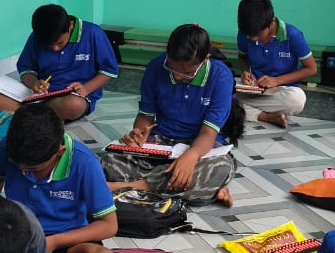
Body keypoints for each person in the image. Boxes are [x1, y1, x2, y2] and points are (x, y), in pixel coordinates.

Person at [101, 24, 245, 206]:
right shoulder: (156, 66)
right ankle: (204, 191)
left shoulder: (220, 76)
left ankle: (128, 187)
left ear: (205, 59)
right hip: (162, 142)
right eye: (172, 69)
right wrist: (139, 133)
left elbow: (208, 134)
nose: (177, 77)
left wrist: (191, 156)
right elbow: (145, 117)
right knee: (108, 162)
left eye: (187, 73)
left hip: (202, 146)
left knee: (221, 167)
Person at [0, 102, 118, 253]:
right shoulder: (9, 147)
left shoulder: (85, 163)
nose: (23, 171)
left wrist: (53, 242)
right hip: (15, 233)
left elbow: (109, 225)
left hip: (63, 240)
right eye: (17, 165)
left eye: (33, 168)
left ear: (59, 152)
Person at [0, 5, 118, 122]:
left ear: (70, 26)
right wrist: (34, 83)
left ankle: (24, 112)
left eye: (60, 43)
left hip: (72, 97)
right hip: (39, 96)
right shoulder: (38, 36)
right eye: (48, 45)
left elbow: (109, 71)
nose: (55, 49)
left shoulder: (92, 33)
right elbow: (26, 69)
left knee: (74, 105)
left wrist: (85, 88)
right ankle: (38, 115)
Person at [236, 0, 317, 128]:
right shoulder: (245, 33)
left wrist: (276, 81)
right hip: (254, 89)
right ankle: (266, 116)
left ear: (271, 22)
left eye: (258, 34)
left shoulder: (292, 35)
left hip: (281, 90)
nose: (253, 39)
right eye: (250, 35)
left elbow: (311, 68)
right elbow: (242, 57)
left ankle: (246, 110)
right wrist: (245, 72)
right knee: (222, 91)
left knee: (297, 100)